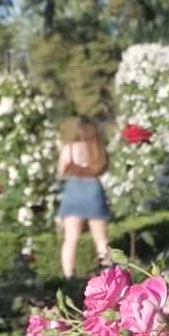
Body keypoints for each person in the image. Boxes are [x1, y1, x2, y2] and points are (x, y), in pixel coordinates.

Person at [56, 117, 111, 278]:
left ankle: (68, 276)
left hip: (74, 191)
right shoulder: (98, 148)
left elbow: (61, 172)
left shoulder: (69, 148)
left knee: (70, 239)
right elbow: (103, 168)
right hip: (93, 190)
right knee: (101, 239)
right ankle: (107, 274)